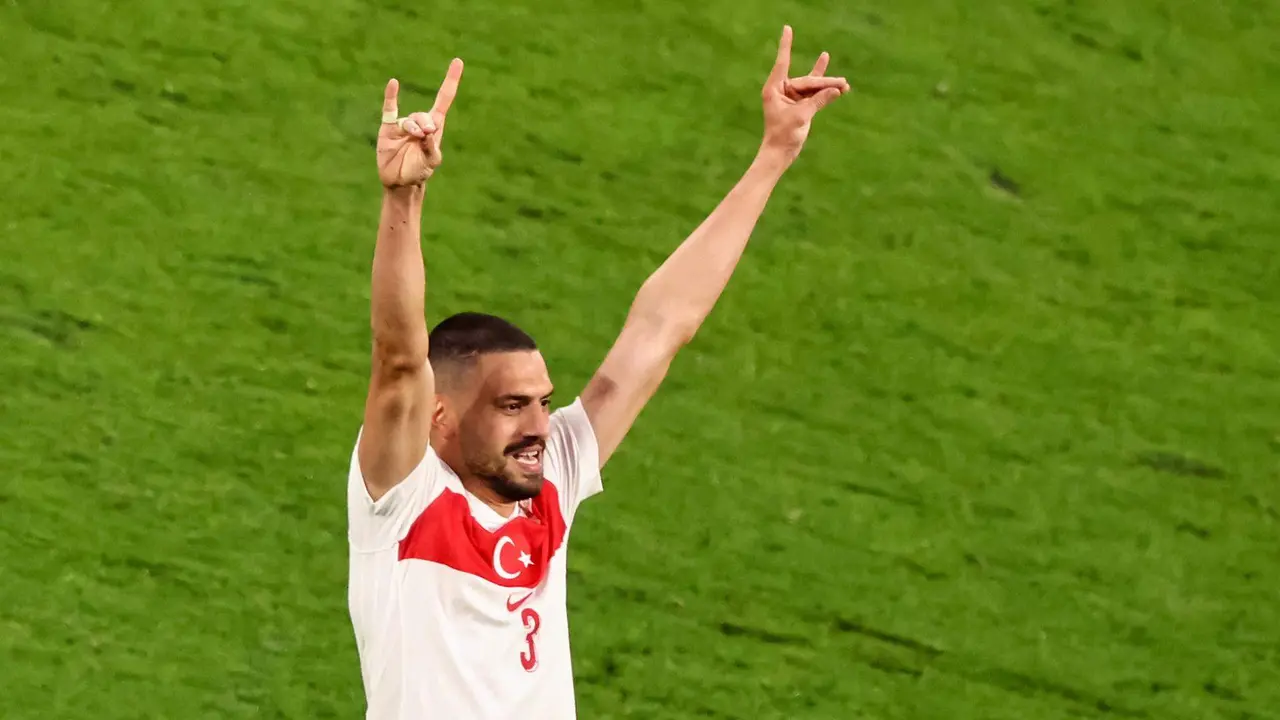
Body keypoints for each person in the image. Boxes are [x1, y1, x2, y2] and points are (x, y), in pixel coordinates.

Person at [346, 25, 849, 720]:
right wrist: (403, 201)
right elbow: (398, 360)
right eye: (512, 405)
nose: (540, 427)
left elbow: (660, 328)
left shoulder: (552, 477)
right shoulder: (402, 499)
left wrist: (773, 155)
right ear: (441, 416)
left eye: (543, 402)